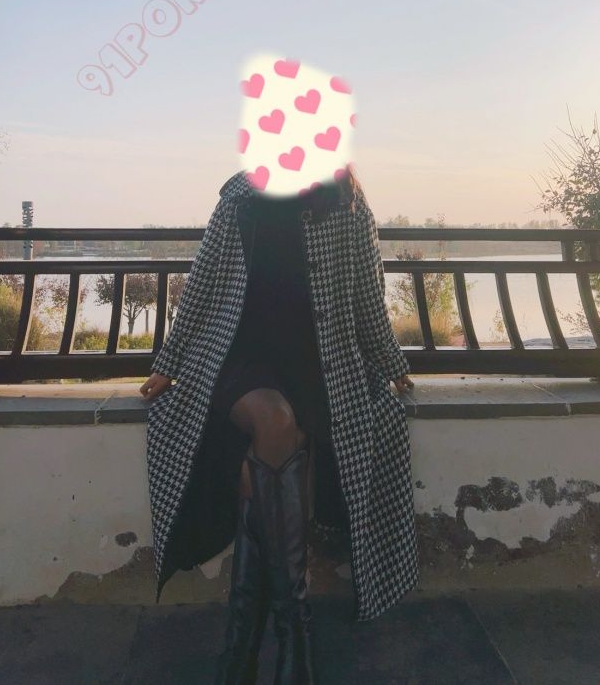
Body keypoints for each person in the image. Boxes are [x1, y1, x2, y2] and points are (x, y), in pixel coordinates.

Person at [140, 163, 418, 685]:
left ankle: (242, 643)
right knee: (275, 420)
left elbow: (367, 296)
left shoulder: (345, 202)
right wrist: (169, 362)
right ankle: (295, 629)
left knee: (262, 474)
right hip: (241, 358)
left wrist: (391, 363)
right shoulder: (241, 197)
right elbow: (203, 284)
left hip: (317, 365)